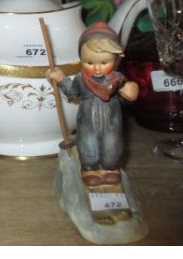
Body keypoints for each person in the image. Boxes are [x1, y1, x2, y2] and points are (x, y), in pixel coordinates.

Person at [47, 21, 139, 186]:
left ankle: (110, 168)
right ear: (81, 59)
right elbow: (71, 91)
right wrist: (61, 78)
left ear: (115, 59)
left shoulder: (117, 79)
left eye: (104, 62)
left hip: (112, 119)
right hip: (87, 119)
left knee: (112, 144)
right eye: (89, 62)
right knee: (88, 144)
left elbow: (124, 98)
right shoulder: (81, 79)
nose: (97, 68)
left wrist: (129, 93)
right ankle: (90, 168)